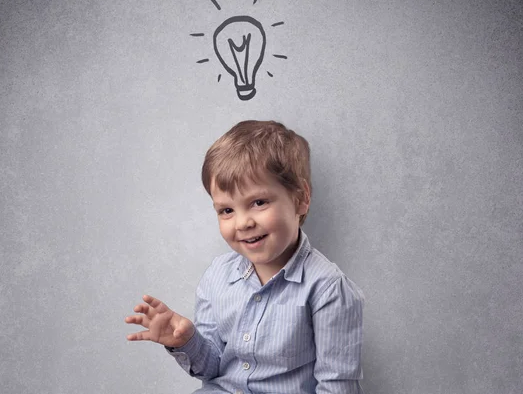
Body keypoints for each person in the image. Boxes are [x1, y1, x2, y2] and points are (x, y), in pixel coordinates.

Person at [125, 120, 364, 393]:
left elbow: (337, 387)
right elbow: (213, 367)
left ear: (300, 198)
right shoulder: (217, 276)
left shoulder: (328, 289)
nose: (242, 223)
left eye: (259, 202)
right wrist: (185, 340)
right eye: (226, 210)